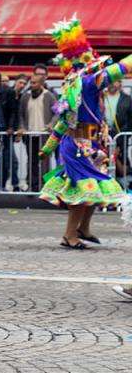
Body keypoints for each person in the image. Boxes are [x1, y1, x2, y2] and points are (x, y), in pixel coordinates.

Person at [38, 18, 132, 247]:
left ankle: (83, 229)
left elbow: (61, 124)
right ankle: (69, 235)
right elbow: (121, 69)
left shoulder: (74, 87)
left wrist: (47, 148)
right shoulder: (88, 82)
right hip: (79, 147)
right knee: (84, 190)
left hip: (89, 145)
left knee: (94, 190)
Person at [21, 63, 58, 189]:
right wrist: (22, 127)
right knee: (31, 162)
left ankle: (45, 186)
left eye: (34, 83)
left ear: (41, 83)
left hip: (44, 135)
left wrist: (51, 125)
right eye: (30, 83)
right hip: (30, 135)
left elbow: (57, 113)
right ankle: (33, 185)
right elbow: (21, 114)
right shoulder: (25, 96)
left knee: (45, 163)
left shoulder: (49, 96)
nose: (31, 85)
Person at [102, 79, 132, 187]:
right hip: (103, 136)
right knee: (102, 161)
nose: (112, 84)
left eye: (115, 81)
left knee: (120, 161)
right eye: (110, 81)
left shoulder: (127, 99)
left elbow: (130, 120)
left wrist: (125, 136)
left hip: (121, 136)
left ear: (120, 83)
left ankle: (123, 185)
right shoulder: (101, 97)